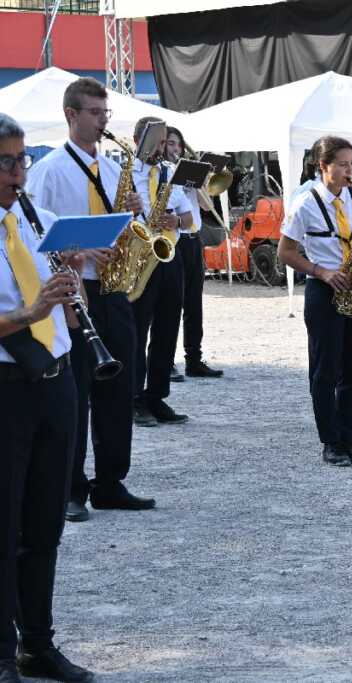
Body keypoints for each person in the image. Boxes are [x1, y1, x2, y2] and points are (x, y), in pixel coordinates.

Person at [24, 77, 155, 519]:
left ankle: (111, 481)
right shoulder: (49, 171)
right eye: (95, 114)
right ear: (71, 115)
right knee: (76, 389)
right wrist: (76, 253)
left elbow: (128, 226)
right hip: (74, 291)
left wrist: (134, 209)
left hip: (115, 286)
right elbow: (34, 239)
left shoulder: (116, 169)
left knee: (119, 384)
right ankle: (71, 489)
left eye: (105, 114)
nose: (103, 122)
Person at [0, 112, 95, 682]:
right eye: (7, 163)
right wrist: (30, 312)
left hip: (54, 380)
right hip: (5, 388)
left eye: (21, 160)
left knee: (43, 523)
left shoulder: (40, 222)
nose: (18, 174)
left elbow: (63, 292)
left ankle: (38, 641)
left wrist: (72, 285)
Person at [277, 136, 352, 467]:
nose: (351, 171)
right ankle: (330, 440)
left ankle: (349, 436)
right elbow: (285, 252)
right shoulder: (304, 202)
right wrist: (320, 271)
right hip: (324, 290)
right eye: (343, 164)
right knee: (325, 370)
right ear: (323, 166)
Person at [129, 117, 194, 427]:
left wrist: (176, 222)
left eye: (164, 140)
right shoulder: (124, 173)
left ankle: (156, 396)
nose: (161, 146)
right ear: (137, 140)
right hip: (139, 258)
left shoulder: (169, 173)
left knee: (167, 329)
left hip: (169, 255)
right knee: (138, 330)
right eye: (155, 140)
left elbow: (190, 217)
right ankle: (134, 398)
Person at [163, 127, 223, 378]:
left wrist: (198, 183)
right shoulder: (162, 172)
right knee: (170, 303)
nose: (175, 149)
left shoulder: (187, 173)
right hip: (172, 241)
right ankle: (166, 361)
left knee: (194, 302)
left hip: (192, 239)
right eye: (170, 144)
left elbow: (207, 206)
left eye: (178, 145)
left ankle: (194, 358)